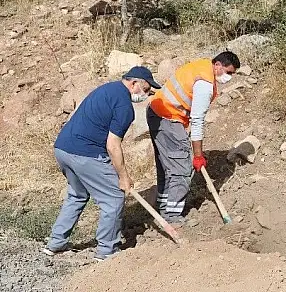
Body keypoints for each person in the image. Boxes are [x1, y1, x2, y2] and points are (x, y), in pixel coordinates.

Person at [44, 66, 161, 261]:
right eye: (147, 89)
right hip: (85, 154)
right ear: (134, 84)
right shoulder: (124, 107)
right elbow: (113, 145)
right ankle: (107, 252)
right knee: (113, 199)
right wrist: (123, 178)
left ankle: (56, 243)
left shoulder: (107, 89)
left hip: (62, 149)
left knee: (77, 195)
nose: (147, 95)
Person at [147, 51, 239, 225]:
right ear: (217, 65)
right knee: (181, 167)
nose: (229, 77)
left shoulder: (202, 66)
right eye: (228, 72)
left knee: (167, 165)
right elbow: (197, 121)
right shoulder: (205, 83)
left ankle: (163, 205)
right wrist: (197, 156)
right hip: (169, 117)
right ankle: (172, 216)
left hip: (158, 112)